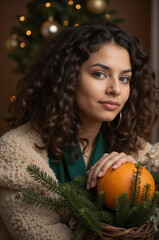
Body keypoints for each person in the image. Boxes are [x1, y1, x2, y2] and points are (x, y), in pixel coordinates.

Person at [0, 22, 159, 240]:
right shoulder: (16, 151)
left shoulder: (132, 147)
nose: (116, 89)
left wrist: (134, 178)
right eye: (100, 74)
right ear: (67, 77)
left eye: (124, 78)